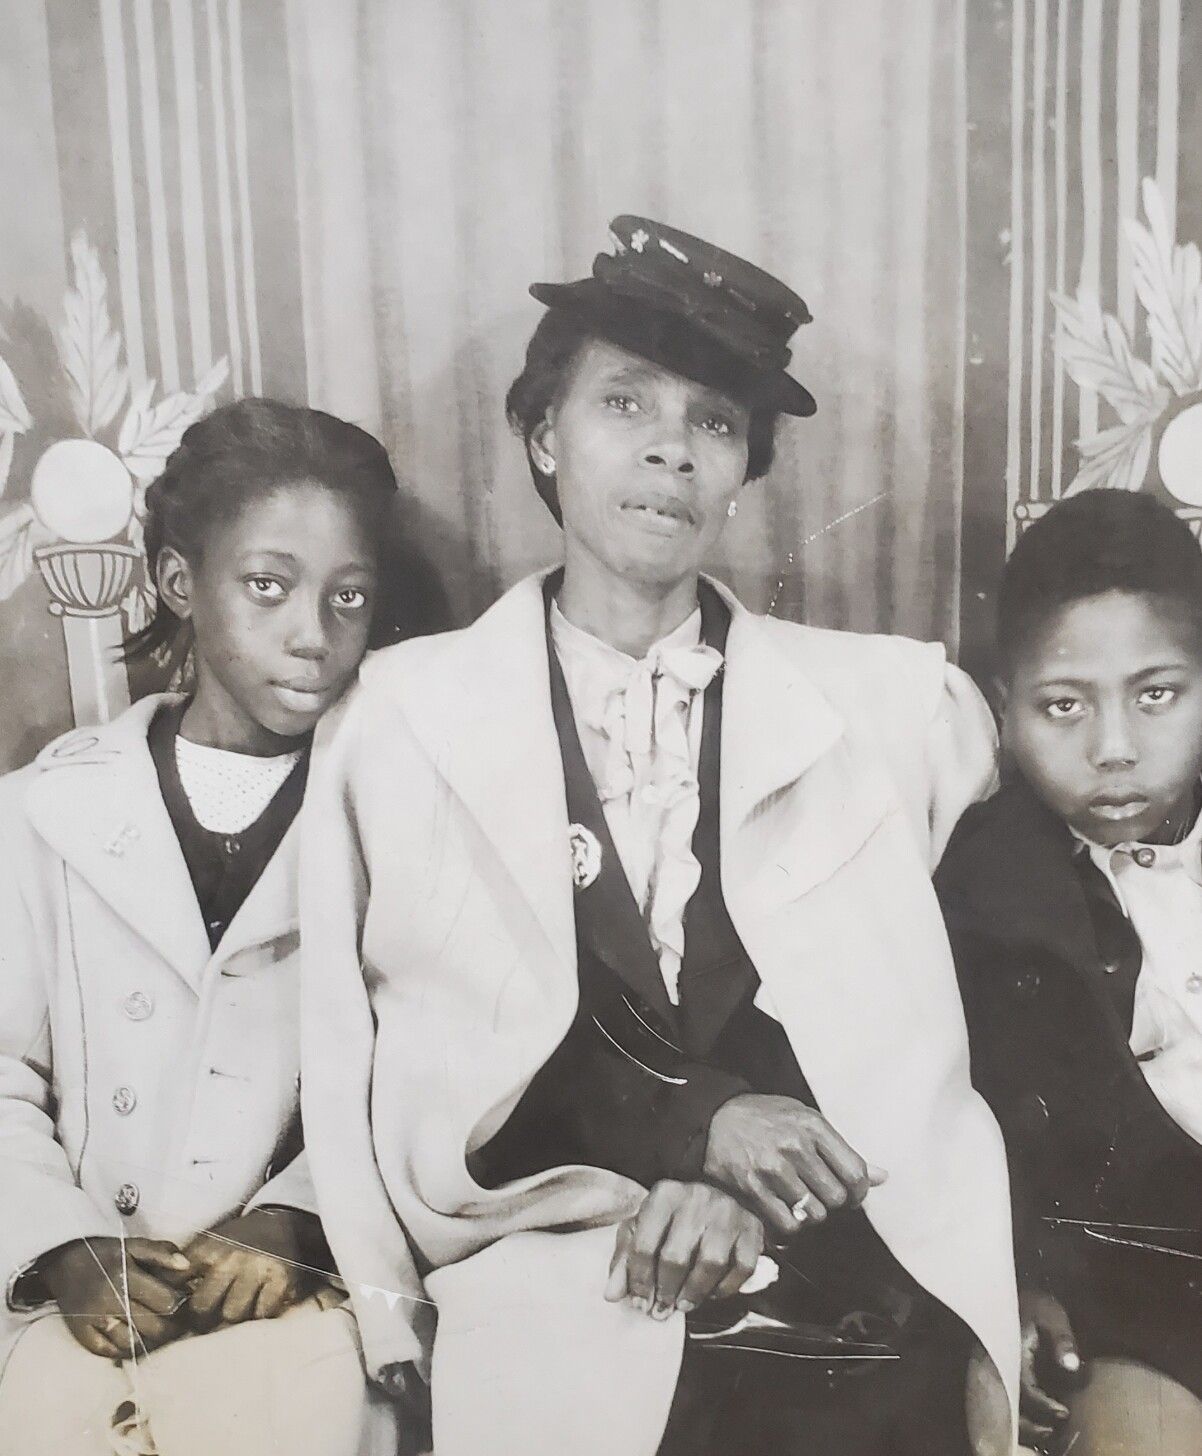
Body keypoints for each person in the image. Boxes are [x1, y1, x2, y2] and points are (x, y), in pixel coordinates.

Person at [299, 217, 1020, 1455]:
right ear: (543, 435)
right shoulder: (403, 719)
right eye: (622, 401)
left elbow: (950, 1007)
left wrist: (754, 1168)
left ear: (742, 470)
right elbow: (391, 1044)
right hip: (539, 1264)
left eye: (714, 422)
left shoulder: (896, 710)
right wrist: (692, 1128)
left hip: (833, 1266)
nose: (668, 449)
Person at [0, 399, 411, 1456]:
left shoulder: (404, 821)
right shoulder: (40, 813)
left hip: (298, 1302)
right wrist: (63, 1245)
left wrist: (301, 1219)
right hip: (73, 1303)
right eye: (267, 585)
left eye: (349, 597)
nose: (312, 635)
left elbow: (429, 1073)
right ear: (179, 583)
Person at [936, 488, 1202, 1455]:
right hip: (1123, 1293)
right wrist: (1010, 1280)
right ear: (1005, 711)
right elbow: (945, 1129)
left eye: (1157, 694)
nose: (1114, 749)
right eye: (1064, 707)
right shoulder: (984, 889)